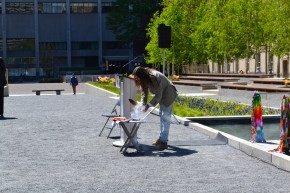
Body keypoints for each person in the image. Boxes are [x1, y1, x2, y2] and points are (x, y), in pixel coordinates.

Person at [132, 66, 178, 149]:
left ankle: (164, 142)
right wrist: (143, 104)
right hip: (162, 95)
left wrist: (148, 105)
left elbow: (158, 95)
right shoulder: (144, 78)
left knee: (165, 119)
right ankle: (161, 139)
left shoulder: (153, 77)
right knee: (162, 117)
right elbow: (144, 92)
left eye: (137, 78)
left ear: (142, 75)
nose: (137, 80)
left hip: (168, 95)